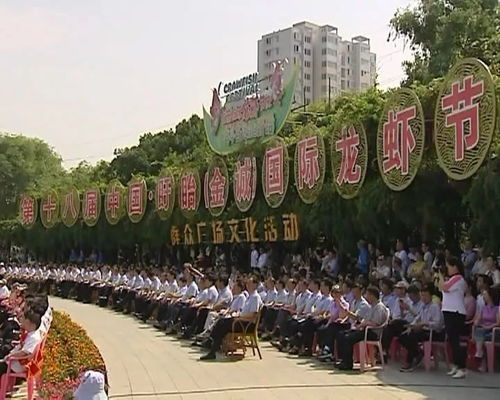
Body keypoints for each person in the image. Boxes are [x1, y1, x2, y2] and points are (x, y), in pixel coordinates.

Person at [200, 276, 262, 360]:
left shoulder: (255, 297)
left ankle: (212, 345)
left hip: (246, 324)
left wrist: (239, 317)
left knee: (222, 324)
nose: (247, 285)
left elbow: (252, 315)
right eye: (247, 283)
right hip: (241, 320)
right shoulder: (250, 297)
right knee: (221, 322)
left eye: (249, 283)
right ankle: (213, 346)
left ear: (255, 285)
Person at [335, 286, 389, 370]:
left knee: (349, 338)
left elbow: (375, 323)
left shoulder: (379, 307)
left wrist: (363, 324)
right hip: (365, 330)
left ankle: (348, 363)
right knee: (342, 334)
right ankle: (343, 360)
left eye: (367, 294)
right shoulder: (372, 306)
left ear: (372, 296)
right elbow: (364, 319)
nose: (366, 297)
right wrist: (360, 324)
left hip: (372, 332)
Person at [437, 256, 467, 379]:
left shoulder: (458, 278)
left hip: (456, 312)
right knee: (451, 340)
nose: (447, 269)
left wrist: (440, 276)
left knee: (455, 340)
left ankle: (462, 367)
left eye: (448, 266)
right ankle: (456, 364)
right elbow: (440, 287)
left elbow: (444, 287)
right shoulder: (451, 279)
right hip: (448, 311)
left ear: (454, 266)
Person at [0, 310, 42, 377]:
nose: (21, 320)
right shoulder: (32, 334)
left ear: (29, 323)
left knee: (1, 366)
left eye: (23, 319)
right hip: (19, 360)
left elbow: (24, 352)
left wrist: (10, 355)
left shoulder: (33, 337)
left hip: (20, 363)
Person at [472, 287, 500, 370]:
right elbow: (478, 319)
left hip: (494, 330)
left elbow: (498, 323)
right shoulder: (483, 308)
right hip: (484, 330)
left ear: (490, 296)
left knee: (481, 334)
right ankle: (480, 354)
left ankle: (479, 353)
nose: (483, 296)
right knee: (479, 331)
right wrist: (476, 321)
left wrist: (488, 327)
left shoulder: (497, 308)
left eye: (485, 294)